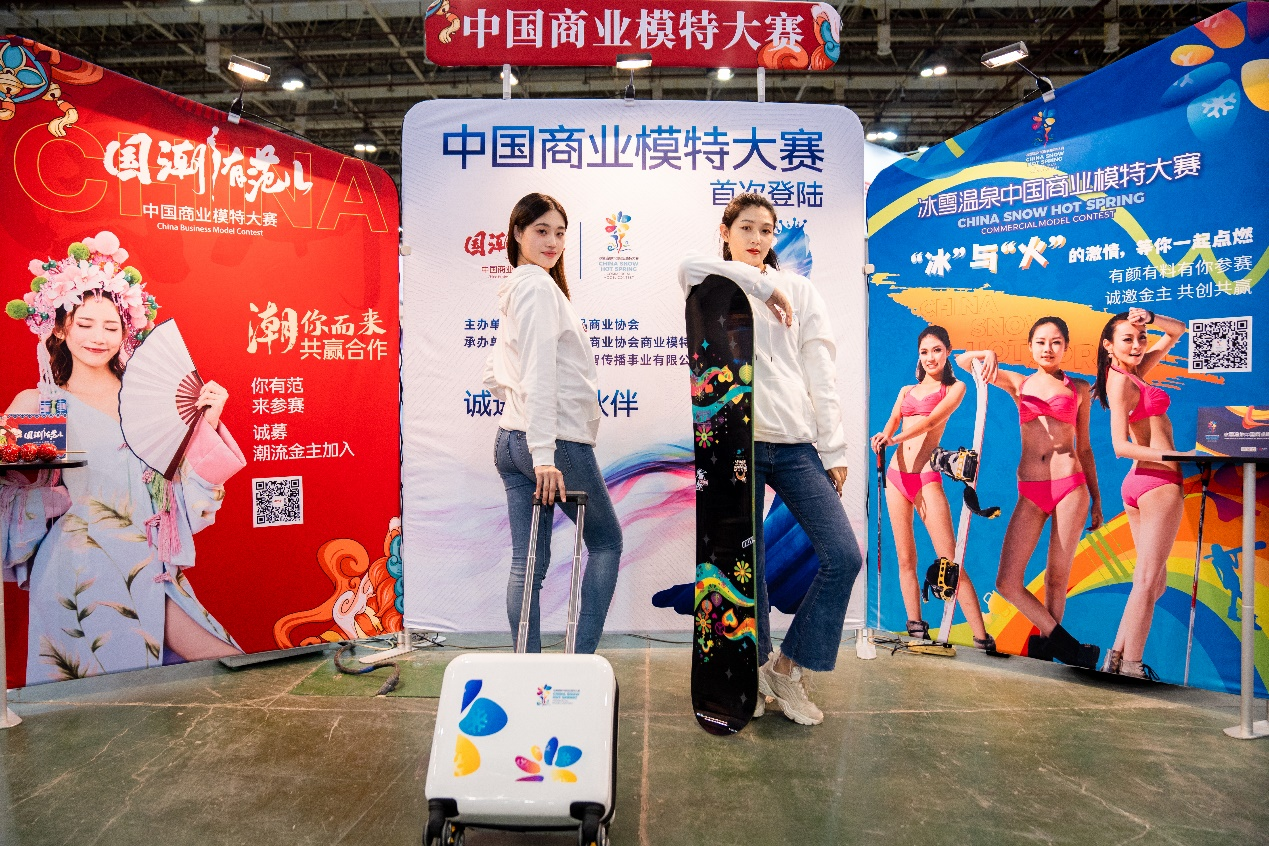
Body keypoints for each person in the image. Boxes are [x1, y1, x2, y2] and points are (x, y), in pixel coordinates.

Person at [2, 231, 245, 683]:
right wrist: (48, 503)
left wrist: (205, 426)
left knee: (217, 666)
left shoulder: (149, 401)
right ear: (60, 328)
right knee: (92, 698)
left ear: (125, 332)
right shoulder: (43, 404)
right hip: (77, 568)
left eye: (111, 327)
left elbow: (183, 492)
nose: (98, 337)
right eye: (84, 324)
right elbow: (6, 487)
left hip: (149, 561)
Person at [678, 192, 863, 726]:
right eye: (747, 228)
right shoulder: (712, 284)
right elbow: (687, 266)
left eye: (766, 230)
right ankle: (752, 672)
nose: (757, 239)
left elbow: (821, 374)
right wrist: (761, 285)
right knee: (746, 564)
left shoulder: (801, 291)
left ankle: (787, 666)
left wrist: (834, 448)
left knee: (843, 555)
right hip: (734, 443)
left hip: (795, 443)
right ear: (726, 231)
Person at [485, 193, 623, 654]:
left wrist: (522, 418)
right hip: (551, 444)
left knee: (527, 564)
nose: (552, 241)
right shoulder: (538, 288)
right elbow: (540, 374)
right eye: (541, 231)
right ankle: (577, 663)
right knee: (606, 543)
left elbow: (495, 374)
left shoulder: (519, 288)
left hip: (511, 440)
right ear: (518, 233)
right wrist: (543, 455)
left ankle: (528, 667)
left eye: (560, 233)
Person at [956, 316, 1103, 668]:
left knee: (1057, 577)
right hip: (1031, 490)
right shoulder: (1018, 383)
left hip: (1070, 485)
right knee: (1007, 581)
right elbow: (962, 361)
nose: (1048, 349)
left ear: (1065, 347)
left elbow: (1084, 448)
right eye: (1041, 342)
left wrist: (1097, 500)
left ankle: (1046, 650)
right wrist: (988, 353)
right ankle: (1069, 647)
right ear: (1031, 347)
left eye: (1055, 342)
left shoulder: (1079, 389)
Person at [870, 325, 993, 651]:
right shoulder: (906, 390)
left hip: (926, 478)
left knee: (951, 560)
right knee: (905, 559)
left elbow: (930, 421)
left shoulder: (955, 388)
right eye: (924, 351)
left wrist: (987, 353)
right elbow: (893, 421)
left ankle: (982, 639)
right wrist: (882, 436)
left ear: (947, 352)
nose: (930, 357)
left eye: (937, 350)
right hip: (896, 477)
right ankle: (916, 630)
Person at [1092, 308, 1188, 679]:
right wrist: (1176, 456)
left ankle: (1115, 657)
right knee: (1148, 581)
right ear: (1108, 345)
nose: (1137, 345)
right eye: (1127, 339)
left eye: (1140, 338)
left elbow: (1177, 330)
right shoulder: (1120, 382)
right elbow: (1119, 446)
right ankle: (1131, 667)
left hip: (1140, 484)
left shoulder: (1132, 373)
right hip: (1157, 484)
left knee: (1152, 582)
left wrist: (1150, 317)